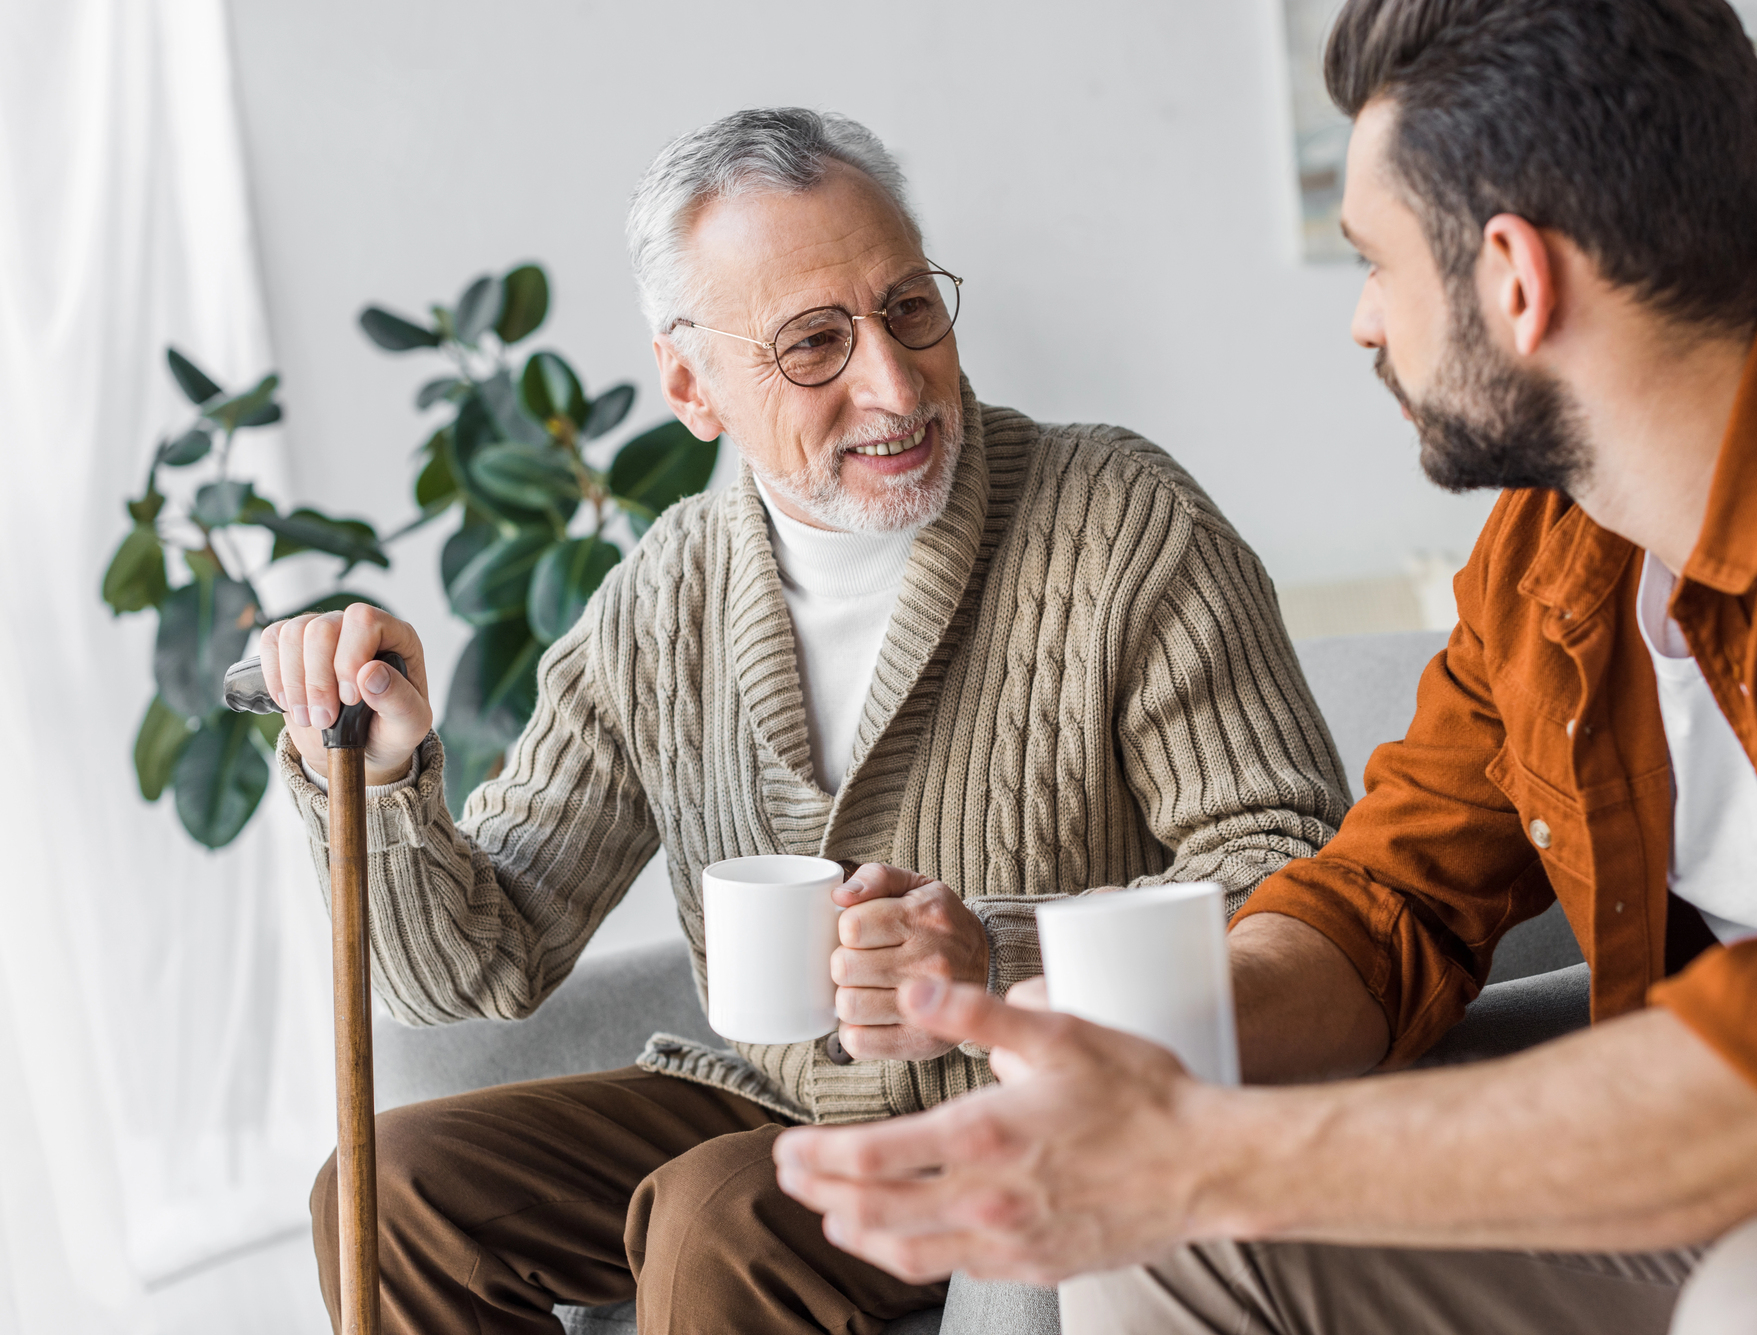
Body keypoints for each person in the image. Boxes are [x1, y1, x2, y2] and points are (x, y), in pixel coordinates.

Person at [771, 4, 1757, 1331]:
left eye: (1377, 262)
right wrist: (1148, 1026)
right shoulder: (1548, 559)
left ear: (1516, 279)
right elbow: (1386, 906)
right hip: (1756, 1171)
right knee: (1168, 1244)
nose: (1364, 321)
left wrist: (1205, 1149)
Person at [260, 107, 1347, 1334]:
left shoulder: (1120, 521)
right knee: (389, 1189)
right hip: (767, 1102)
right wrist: (387, 774)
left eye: (908, 310)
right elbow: (474, 968)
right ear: (691, 382)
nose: (893, 384)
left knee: (722, 1206)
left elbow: (1298, 877)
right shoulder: (659, 603)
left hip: (1038, 1098)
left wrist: (995, 956)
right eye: (814, 344)